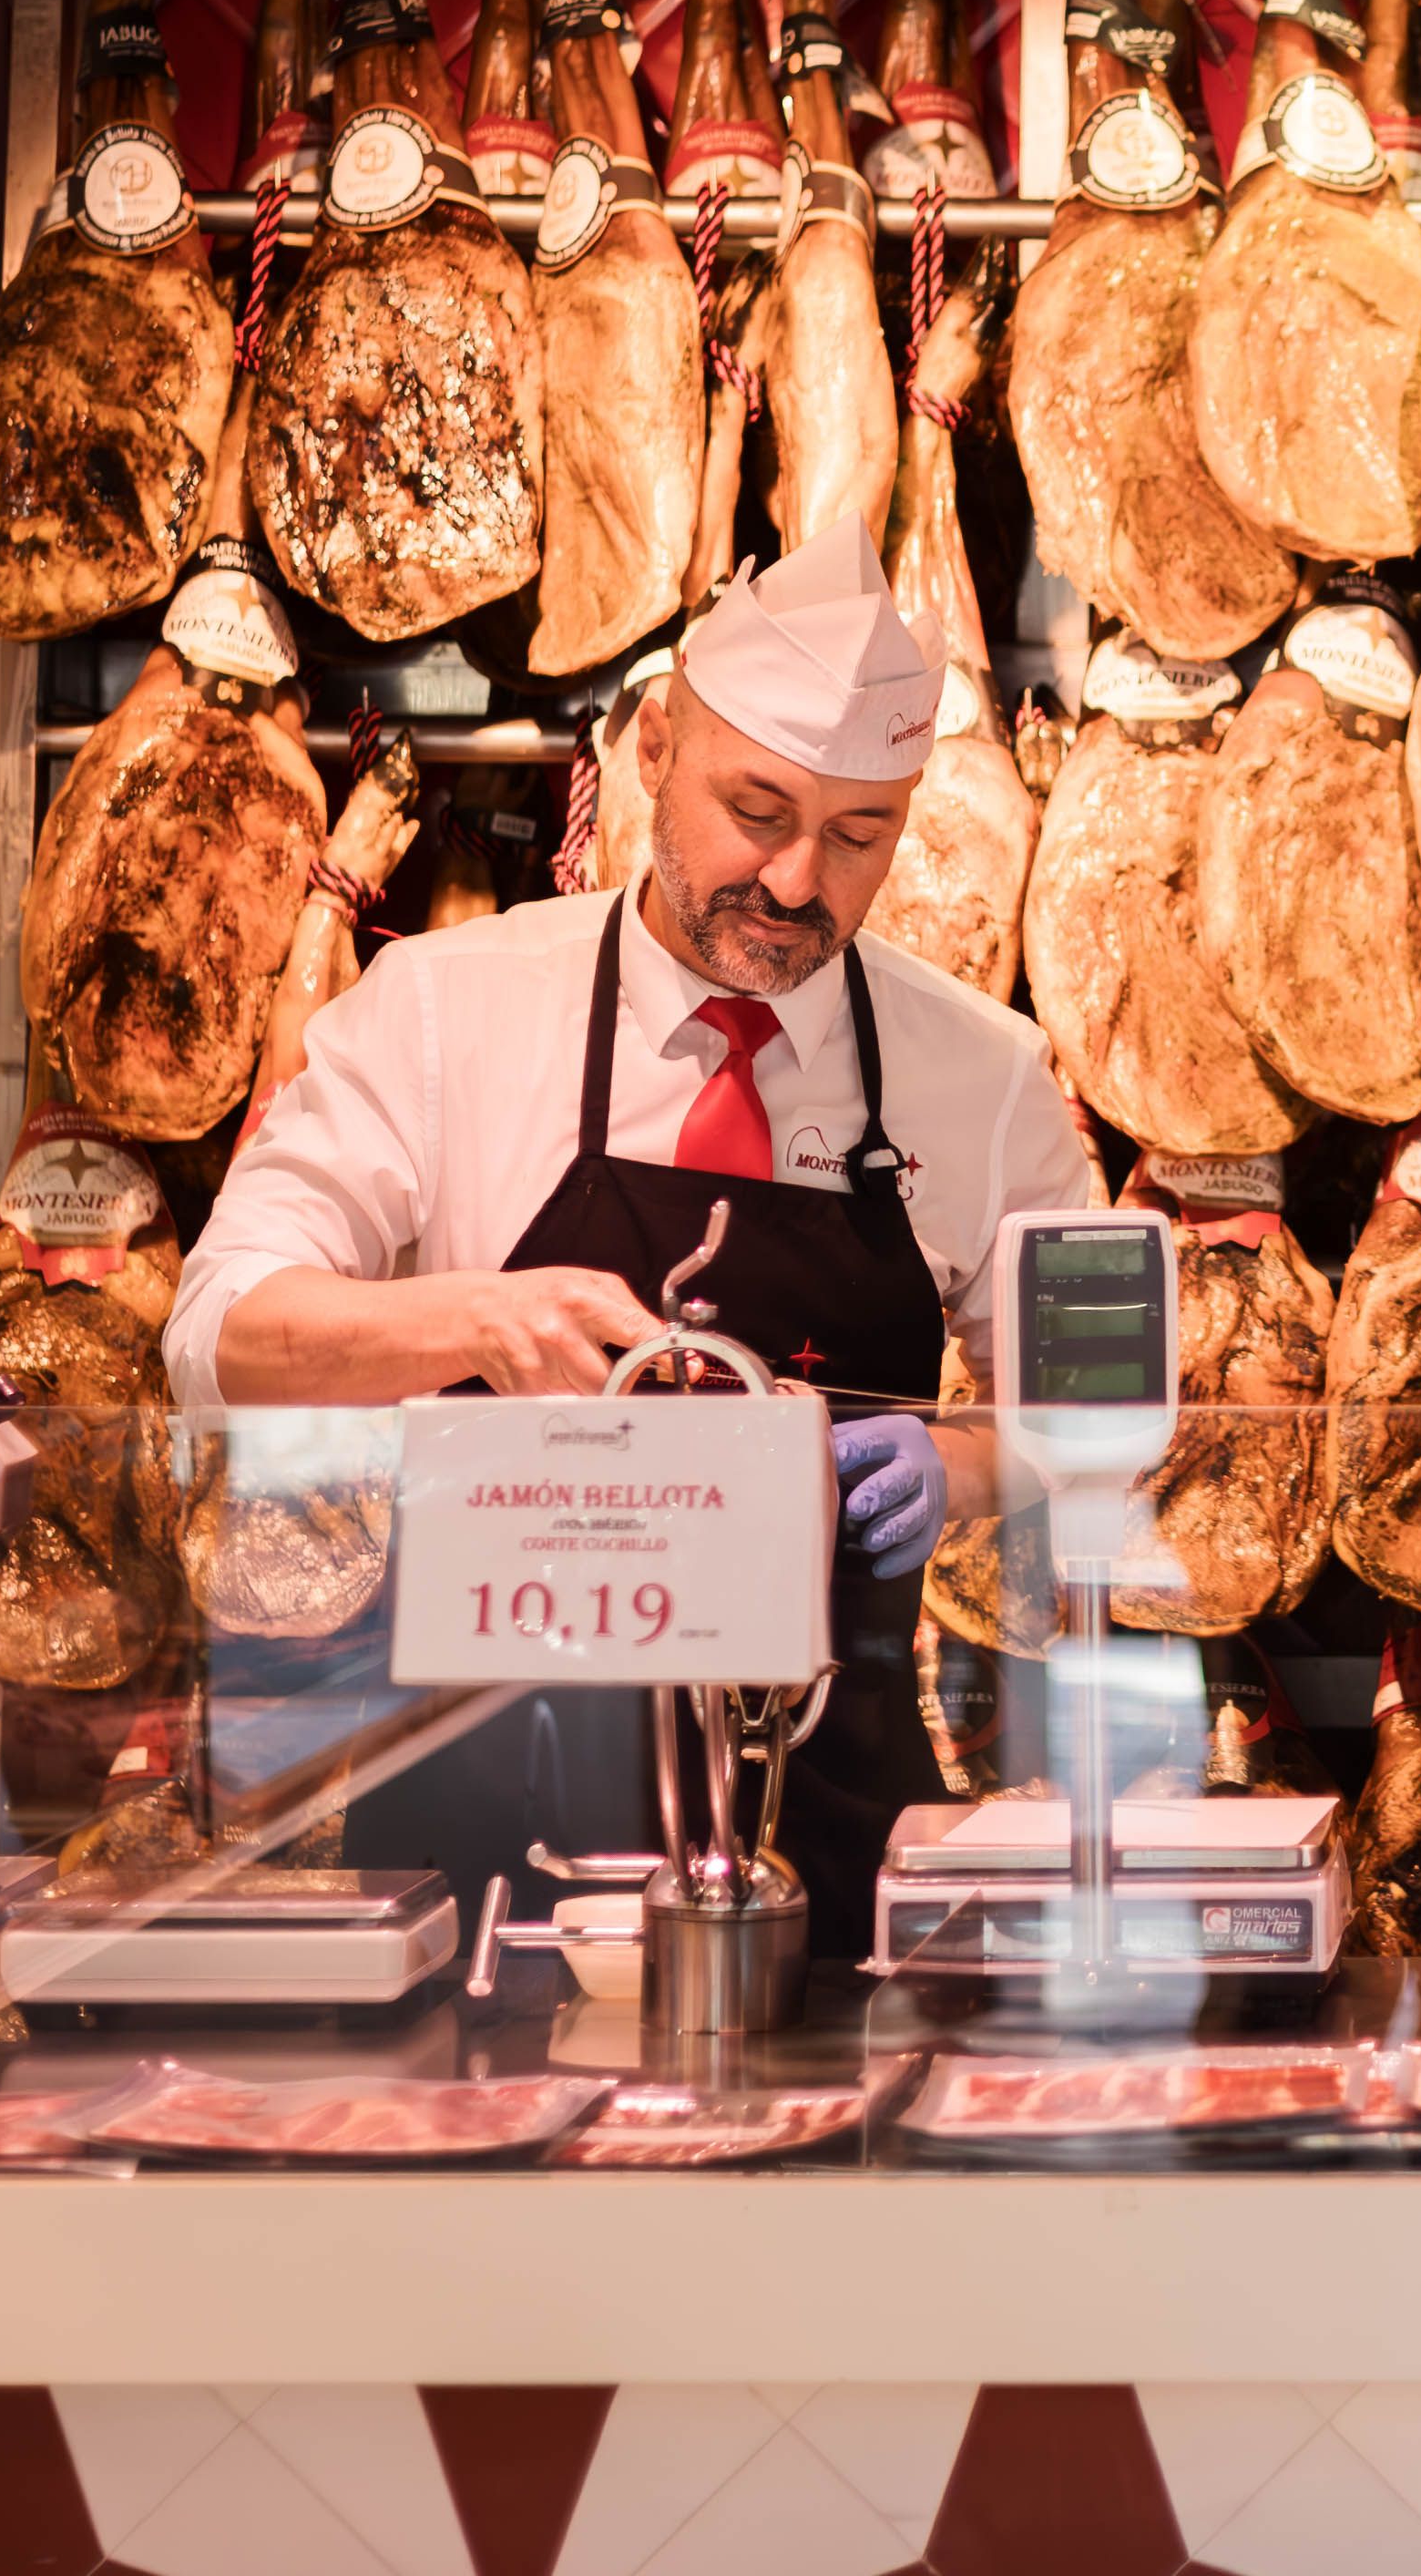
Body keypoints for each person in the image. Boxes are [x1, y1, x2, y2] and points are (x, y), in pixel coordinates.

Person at [169, 525, 1094, 1918]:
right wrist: (475, 1317)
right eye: (759, 811)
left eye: (858, 837)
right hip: (475, 1826)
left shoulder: (988, 1074)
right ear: (655, 745)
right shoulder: (439, 1013)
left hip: (821, 1843)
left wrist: (966, 1465)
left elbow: (1107, 1403)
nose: (795, 883)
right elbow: (214, 1330)